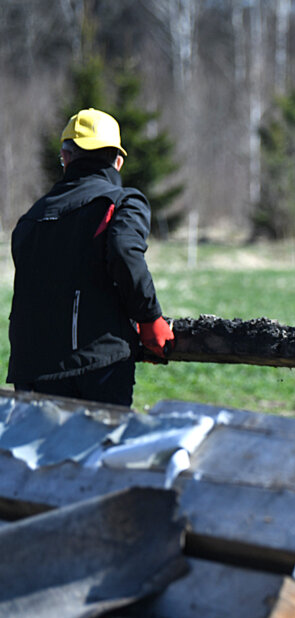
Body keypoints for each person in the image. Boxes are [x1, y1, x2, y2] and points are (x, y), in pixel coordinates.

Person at [8, 108, 174, 407]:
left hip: (30, 368)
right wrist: (149, 317)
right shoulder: (123, 201)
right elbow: (124, 251)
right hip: (97, 367)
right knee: (99, 451)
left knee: (38, 455)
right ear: (118, 161)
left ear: (66, 158)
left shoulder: (31, 217)